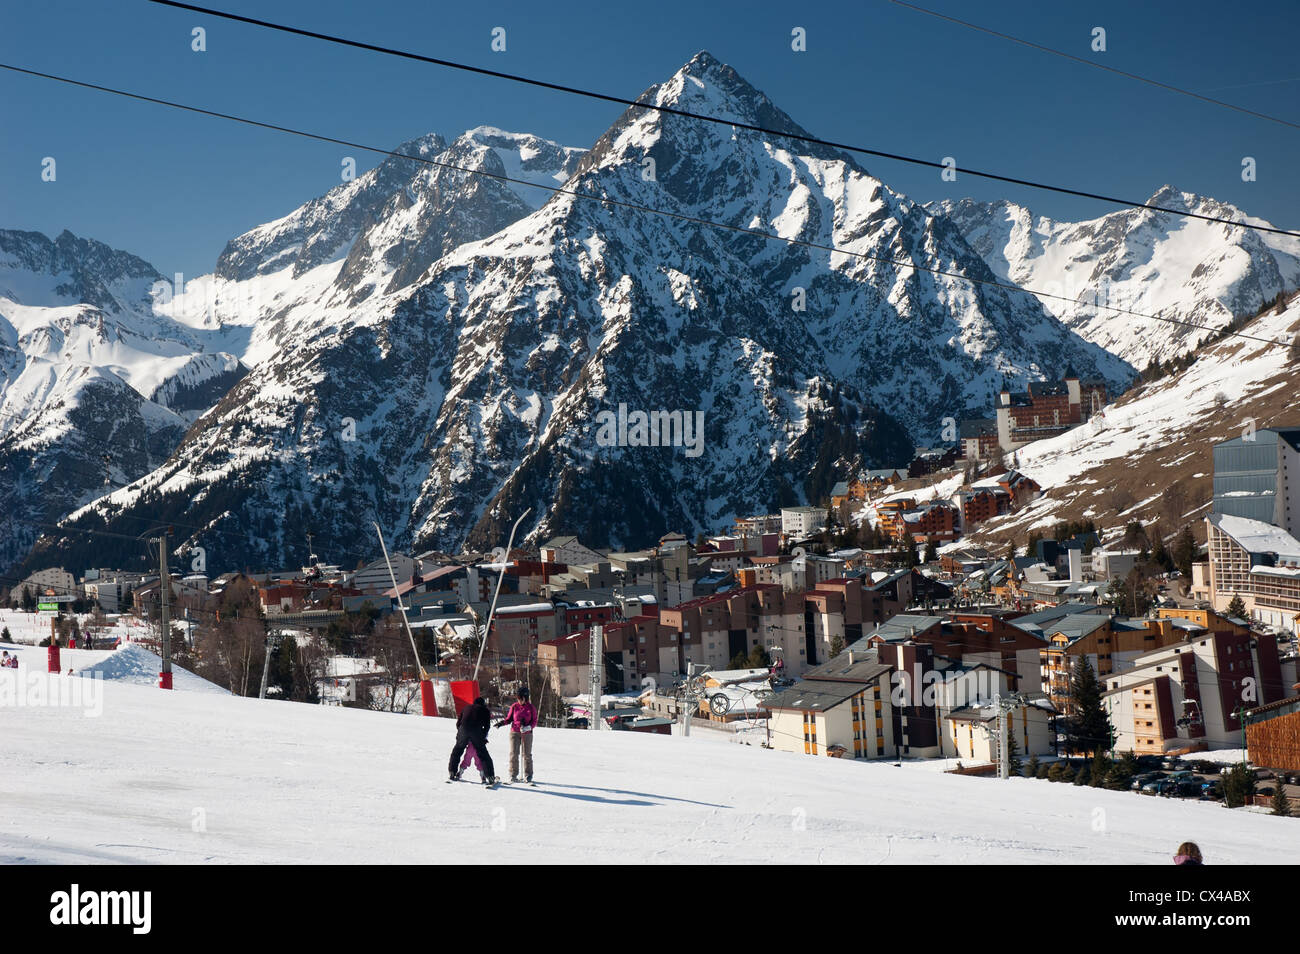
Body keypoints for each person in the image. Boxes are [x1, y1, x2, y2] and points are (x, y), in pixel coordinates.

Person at [448, 697, 497, 785]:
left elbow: (458, 723)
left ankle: (452, 772)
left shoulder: (466, 707)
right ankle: (490, 777)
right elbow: (487, 726)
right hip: (476, 731)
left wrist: (461, 733)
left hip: (463, 730)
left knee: (457, 750)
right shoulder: (485, 710)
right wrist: (482, 736)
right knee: (483, 754)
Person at [496, 686, 538, 783]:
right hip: (514, 732)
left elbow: (534, 721)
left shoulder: (531, 708)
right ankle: (513, 774)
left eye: (520, 698)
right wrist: (501, 723)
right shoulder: (514, 706)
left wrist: (529, 727)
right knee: (513, 754)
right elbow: (509, 719)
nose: (519, 700)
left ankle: (528, 775)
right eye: (518, 698)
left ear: (525, 698)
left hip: (527, 734)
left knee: (527, 754)